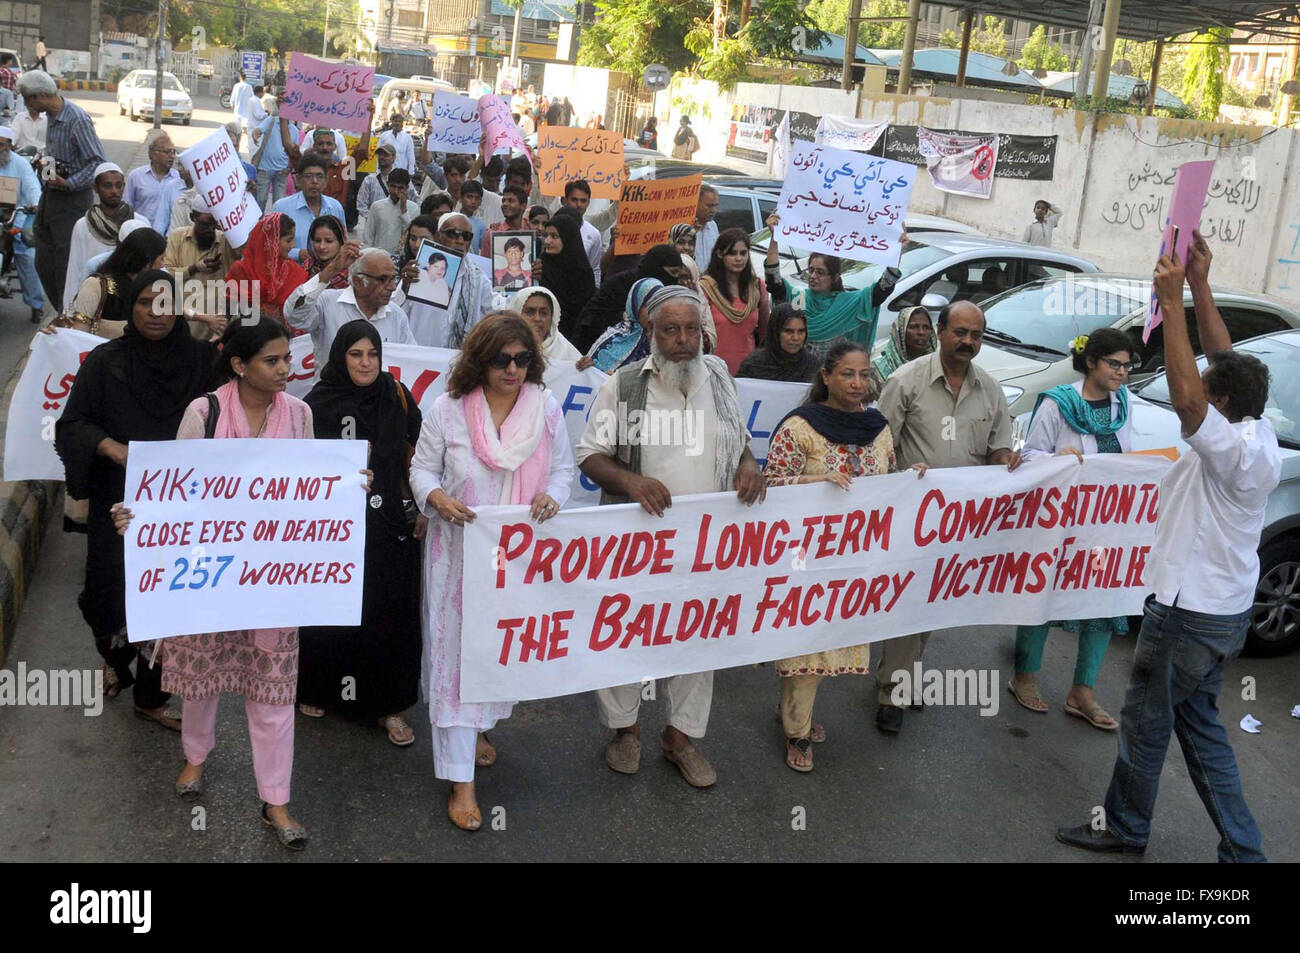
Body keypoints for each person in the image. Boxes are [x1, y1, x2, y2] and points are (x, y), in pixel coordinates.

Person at [1057, 234, 1278, 862]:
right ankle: (1243, 850)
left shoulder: (1228, 448)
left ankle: (1125, 826)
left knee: (1148, 724)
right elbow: (1222, 362)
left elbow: (1188, 398)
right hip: (1223, 612)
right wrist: (1202, 286)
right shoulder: (1254, 427)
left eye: (1214, 389)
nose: (1204, 385)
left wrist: (1172, 298)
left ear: (1223, 405)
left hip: (1188, 615)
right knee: (1201, 728)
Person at [576, 286, 765, 788]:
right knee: (625, 633)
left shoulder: (720, 376)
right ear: (652, 333)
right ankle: (625, 730)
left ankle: (679, 738)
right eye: (670, 330)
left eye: (690, 329)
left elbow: (740, 439)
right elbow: (589, 456)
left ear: (703, 331)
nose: (682, 340)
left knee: (696, 637)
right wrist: (633, 483)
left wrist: (748, 464)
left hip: (705, 544)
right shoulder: (622, 386)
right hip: (636, 544)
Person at [142, 319, 316, 851]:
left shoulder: (301, 414)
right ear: (240, 364)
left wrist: (347, 485)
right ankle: (195, 757)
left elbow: (313, 487)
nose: (286, 369)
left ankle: (276, 799)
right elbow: (176, 489)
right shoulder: (205, 412)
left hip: (273, 577)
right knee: (205, 679)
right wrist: (141, 518)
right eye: (273, 360)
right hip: (211, 575)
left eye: (288, 358)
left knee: (273, 692)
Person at [409, 312, 574, 829]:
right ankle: (460, 782)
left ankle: (479, 728)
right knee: (455, 662)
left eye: (523, 359)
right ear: (480, 360)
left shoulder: (545, 409)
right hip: (455, 558)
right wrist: (435, 496)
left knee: (498, 656)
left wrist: (553, 495)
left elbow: (564, 470)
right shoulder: (449, 410)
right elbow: (421, 469)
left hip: (515, 563)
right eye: (501, 359)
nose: (512, 369)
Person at [54, 271, 217, 724]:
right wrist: (113, 449)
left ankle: (151, 696)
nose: (155, 312)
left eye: (165, 303)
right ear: (132, 307)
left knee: (168, 598)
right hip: (118, 499)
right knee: (107, 594)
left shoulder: (203, 360)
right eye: (145, 302)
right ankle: (113, 657)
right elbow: (74, 425)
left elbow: (246, 395)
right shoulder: (106, 362)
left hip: (184, 502)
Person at [874, 301, 1021, 734]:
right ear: (940, 332)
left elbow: (997, 448)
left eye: (975, 335)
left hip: (961, 523)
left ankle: (900, 671)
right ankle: (892, 692)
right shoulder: (906, 381)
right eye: (959, 332)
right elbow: (880, 447)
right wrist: (900, 482)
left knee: (934, 604)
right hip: (911, 516)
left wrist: (1006, 459)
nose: (967, 342)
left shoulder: (990, 390)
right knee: (909, 600)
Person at [764, 342, 897, 771]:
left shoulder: (878, 428)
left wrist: (913, 481)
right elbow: (770, 487)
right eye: (847, 374)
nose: (857, 383)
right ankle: (797, 733)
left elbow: (888, 483)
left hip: (854, 559)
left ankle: (793, 712)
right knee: (806, 644)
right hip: (805, 558)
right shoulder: (801, 428)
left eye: (863, 375)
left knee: (828, 644)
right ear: (826, 376)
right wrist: (818, 478)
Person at [299, 321, 423, 746]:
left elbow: (421, 453)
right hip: (330, 527)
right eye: (356, 354)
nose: (366, 363)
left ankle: (388, 706)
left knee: (386, 612)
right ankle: (319, 689)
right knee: (331, 609)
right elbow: (298, 467)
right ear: (340, 356)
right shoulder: (317, 403)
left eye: (372, 354)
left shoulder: (396, 395)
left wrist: (423, 504)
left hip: (386, 522)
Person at [1010, 327, 1136, 731]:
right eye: (1114, 364)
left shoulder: (1123, 405)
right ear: (1091, 362)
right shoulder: (1058, 404)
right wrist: (1057, 458)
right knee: (1044, 596)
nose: (1121, 372)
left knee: (1100, 605)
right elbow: (1029, 456)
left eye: (1127, 366)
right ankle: (1024, 676)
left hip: (1103, 524)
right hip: (1059, 523)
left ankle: (1082, 691)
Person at [22, 70, 107, 309]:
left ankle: (67, 312)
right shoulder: (51, 115)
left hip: (72, 200)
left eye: (28, 99)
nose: (26, 104)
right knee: (43, 258)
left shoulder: (76, 118)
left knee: (64, 262)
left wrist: (69, 182)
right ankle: (62, 308)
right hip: (51, 195)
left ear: (40, 95)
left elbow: (97, 162)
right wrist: (47, 168)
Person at [762, 212, 898, 354]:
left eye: (820, 272)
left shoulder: (847, 304)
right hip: (796, 373)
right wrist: (774, 238)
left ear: (834, 277)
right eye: (811, 270)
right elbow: (774, 282)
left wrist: (895, 250)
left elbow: (881, 290)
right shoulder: (798, 298)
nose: (813, 276)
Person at [286, 246, 415, 379]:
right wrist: (331, 269)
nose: (392, 287)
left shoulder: (396, 315)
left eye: (393, 278)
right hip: (333, 397)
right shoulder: (327, 303)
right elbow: (294, 314)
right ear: (358, 282)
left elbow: (411, 361)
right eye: (383, 280)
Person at [397, 212, 493, 348]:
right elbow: (395, 312)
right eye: (453, 234)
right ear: (438, 236)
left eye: (466, 236)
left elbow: (494, 310)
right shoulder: (417, 270)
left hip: (458, 360)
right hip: (420, 357)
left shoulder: (478, 278)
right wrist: (404, 289)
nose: (460, 241)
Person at [62, 163, 150, 312]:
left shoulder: (140, 223)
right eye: (107, 186)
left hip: (131, 300)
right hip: (94, 297)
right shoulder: (83, 225)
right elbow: (75, 269)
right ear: (95, 188)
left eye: (118, 185)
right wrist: (69, 311)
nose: (114, 191)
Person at [571, 244, 685, 352]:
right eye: (673, 273)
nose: (675, 280)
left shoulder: (670, 293)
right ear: (655, 268)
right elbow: (591, 321)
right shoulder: (618, 286)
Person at [163, 197, 237, 338]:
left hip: (215, 325)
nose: (209, 230)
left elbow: (245, 246)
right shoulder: (177, 237)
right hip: (183, 321)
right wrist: (193, 268)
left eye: (213, 224)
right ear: (192, 217)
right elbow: (166, 275)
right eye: (204, 224)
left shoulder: (226, 240)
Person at [700, 227, 770, 374]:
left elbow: (765, 333)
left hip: (748, 372)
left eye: (743, 253)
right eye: (732, 253)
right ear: (720, 254)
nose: (739, 258)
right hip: (713, 371)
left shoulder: (757, 287)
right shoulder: (705, 288)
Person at [223, 213, 309, 327]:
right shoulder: (241, 270)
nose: (293, 245)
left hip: (283, 340)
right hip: (248, 338)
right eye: (288, 241)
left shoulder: (292, 271)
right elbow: (226, 312)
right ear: (271, 241)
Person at [0, 123, 44, 322]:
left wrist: (35, 203)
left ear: (9, 145)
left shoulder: (20, 164)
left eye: (2, 145)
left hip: (15, 216)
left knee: (27, 255)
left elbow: (33, 187)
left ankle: (36, 304)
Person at [538, 206, 596, 342]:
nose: (547, 241)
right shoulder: (541, 266)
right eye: (546, 235)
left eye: (554, 236)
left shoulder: (583, 273)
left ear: (568, 238)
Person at [273, 153, 347, 261]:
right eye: (308, 176)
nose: (314, 181)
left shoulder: (335, 207)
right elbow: (270, 245)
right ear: (298, 179)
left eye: (319, 176)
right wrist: (298, 254)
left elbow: (342, 242)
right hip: (292, 272)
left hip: (329, 272)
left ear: (326, 180)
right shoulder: (282, 207)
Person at [578, 277, 661, 373]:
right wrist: (588, 366)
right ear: (636, 305)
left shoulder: (666, 342)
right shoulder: (613, 337)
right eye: (649, 305)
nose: (655, 311)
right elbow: (591, 373)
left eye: (660, 305)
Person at [737, 304, 821, 382]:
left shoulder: (813, 367)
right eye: (788, 331)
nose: (796, 338)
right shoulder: (752, 366)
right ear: (775, 332)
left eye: (801, 331)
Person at [123, 136, 181, 234]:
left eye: (173, 152)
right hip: (141, 234)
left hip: (168, 238)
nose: (172, 156)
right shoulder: (136, 176)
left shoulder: (178, 178)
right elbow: (127, 208)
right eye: (167, 152)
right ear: (154, 154)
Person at [509, 285, 580, 361]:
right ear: (516, 313)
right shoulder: (503, 346)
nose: (537, 319)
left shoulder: (565, 351)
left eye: (543, 313)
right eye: (530, 312)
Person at [872, 306, 938, 384]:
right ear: (900, 331)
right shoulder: (878, 370)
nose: (921, 332)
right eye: (914, 327)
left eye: (926, 327)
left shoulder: (935, 368)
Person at [252, 102, 298, 210]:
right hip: (264, 169)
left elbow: (293, 153)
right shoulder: (270, 121)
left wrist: (289, 168)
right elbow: (258, 130)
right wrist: (255, 134)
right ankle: (258, 224)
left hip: (282, 172)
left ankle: (275, 225)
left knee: (279, 203)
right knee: (260, 200)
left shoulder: (294, 131)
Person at [359, 167, 414, 255]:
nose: (396, 191)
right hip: (378, 258)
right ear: (387, 184)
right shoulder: (377, 207)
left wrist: (404, 212)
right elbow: (368, 238)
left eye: (400, 188)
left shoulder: (414, 208)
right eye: (393, 186)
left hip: (402, 260)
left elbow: (413, 234)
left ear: (407, 188)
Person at [302, 214, 352, 291]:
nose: (322, 246)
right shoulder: (307, 267)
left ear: (341, 242)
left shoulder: (353, 272)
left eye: (329, 241)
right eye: (317, 241)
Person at [480, 185, 531, 256]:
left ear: (523, 206)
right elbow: (484, 263)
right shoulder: (491, 234)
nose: (505, 204)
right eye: (503, 201)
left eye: (511, 201)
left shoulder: (530, 232)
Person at [356, 142, 398, 229]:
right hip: (374, 228)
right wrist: (373, 219)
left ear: (394, 157)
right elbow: (361, 204)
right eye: (380, 155)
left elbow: (414, 200)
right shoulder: (369, 180)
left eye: (386, 155)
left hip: (396, 226)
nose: (382, 157)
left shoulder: (401, 179)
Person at [693, 185, 719, 271]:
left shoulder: (713, 226)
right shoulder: (685, 228)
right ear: (696, 203)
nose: (713, 210)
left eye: (715, 206)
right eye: (709, 206)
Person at [458, 179, 489, 252]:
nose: (473, 202)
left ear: (480, 202)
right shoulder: (451, 219)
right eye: (469, 197)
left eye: (477, 198)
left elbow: (485, 249)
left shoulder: (481, 225)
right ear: (461, 198)